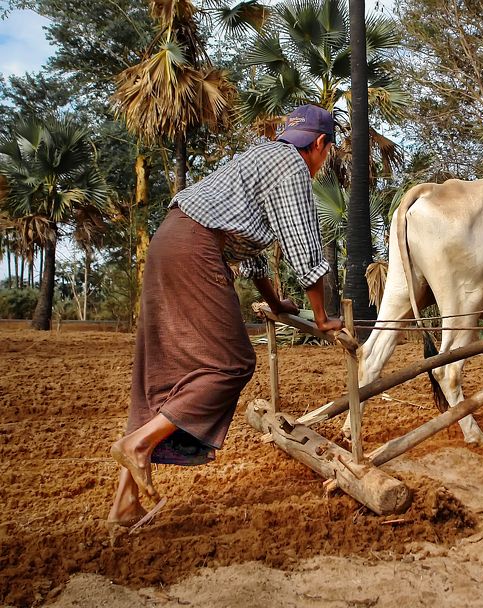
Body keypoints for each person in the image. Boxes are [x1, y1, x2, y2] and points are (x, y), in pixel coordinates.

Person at [107, 104, 343, 530]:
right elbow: (304, 250)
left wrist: (275, 304)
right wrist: (323, 318)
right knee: (231, 363)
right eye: (327, 151)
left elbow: (248, 256)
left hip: (170, 239)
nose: (323, 161)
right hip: (196, 250)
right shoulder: (290, 166)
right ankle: (140, 443)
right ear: (321, 145)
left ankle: (124, 504)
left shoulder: (259, 156)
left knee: (158, 376)